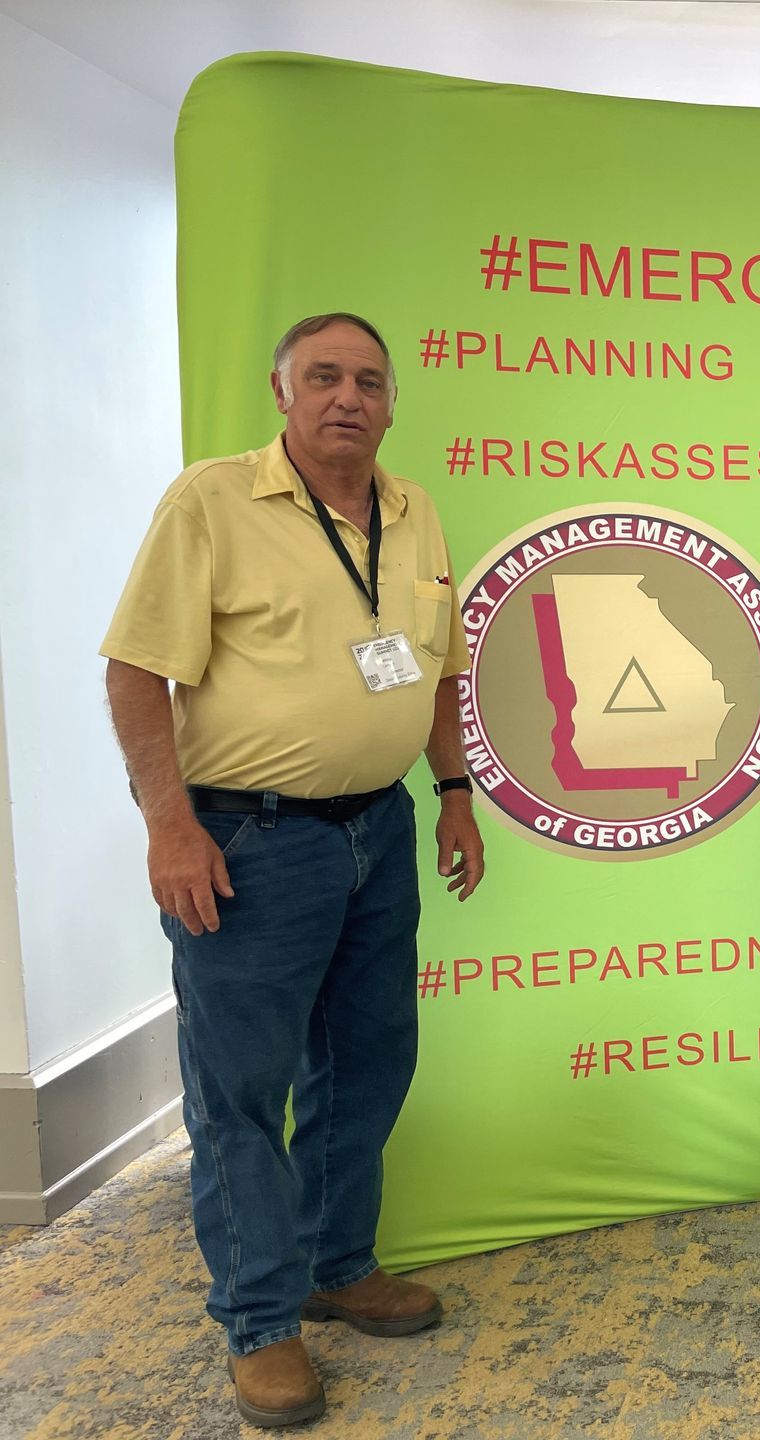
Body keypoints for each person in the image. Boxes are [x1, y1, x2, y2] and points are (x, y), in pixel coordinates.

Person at [102, 313, 484, 1428]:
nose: (347, 398)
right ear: (282, 392)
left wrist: (455, 793)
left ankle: (335, 1262)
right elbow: (134, 672)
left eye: (369, 380)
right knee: (241, 1092)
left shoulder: (414, 512)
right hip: (250, 843)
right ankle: (261, 1321)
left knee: (367, 1064)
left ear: (393, 402)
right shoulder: (211, 501)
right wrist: (170, 828)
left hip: (380, 831)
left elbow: (438, 670)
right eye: (323, 377)